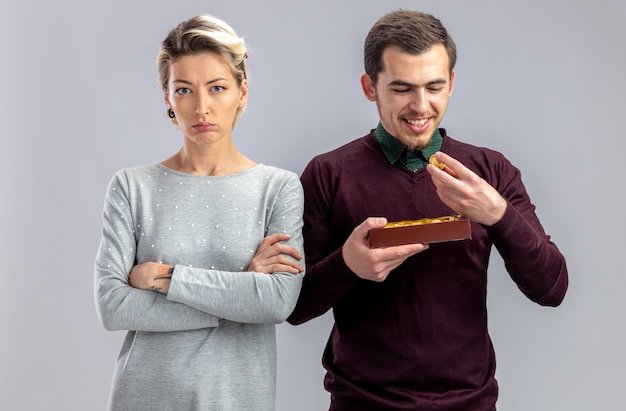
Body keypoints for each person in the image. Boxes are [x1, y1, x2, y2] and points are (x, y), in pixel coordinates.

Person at [287, 9, 568, 411]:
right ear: (370, 87)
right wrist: (347, 264)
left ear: (451, 83)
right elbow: (293, 307)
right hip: (360, 404)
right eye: (402, 89)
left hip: (471, 404)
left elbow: (552, 288)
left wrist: (498, 214)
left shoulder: (491, 172)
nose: (421, 106)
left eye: (434, 87)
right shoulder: (327, 174)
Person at [94, 14, 305, 411]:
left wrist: (164, 277)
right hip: (144, 396)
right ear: (167, 97)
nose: (202, 107)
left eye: (217, 88)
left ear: (242, 92)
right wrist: (240, 289)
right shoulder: (131, 186)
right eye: (185, 90)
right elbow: (113, 306)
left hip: (238, 400)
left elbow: (276, 303)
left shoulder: (278, 188)